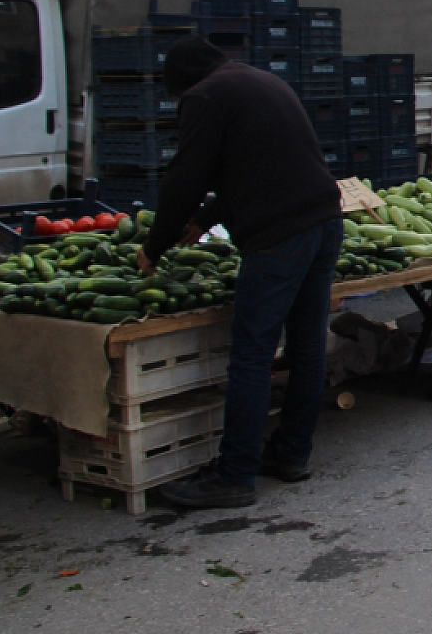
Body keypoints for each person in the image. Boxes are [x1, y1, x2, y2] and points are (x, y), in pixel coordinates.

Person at [147, 37, 344, 509]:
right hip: (324, 221)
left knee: (252, 355)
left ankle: (234, 475)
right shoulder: (260, 81)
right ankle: (291, 454)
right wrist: (207, 218)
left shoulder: (204, 96)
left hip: (280, 237)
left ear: (182, 83)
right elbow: (256, 164)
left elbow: (185, 177)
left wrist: (155, 246)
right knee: (307, 346)